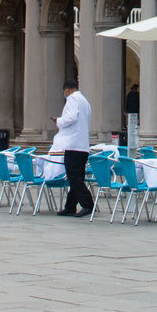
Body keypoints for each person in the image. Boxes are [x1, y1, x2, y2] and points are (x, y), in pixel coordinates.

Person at [50, 77, 94, 217]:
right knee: (77, 176)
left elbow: (71, 118)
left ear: (67, 90)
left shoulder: (72, 99)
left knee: (74, 176)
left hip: (73, 145)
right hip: (82, 145)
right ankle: (70, 206)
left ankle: (87, 204)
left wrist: (58, 121)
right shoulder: (85, 101)